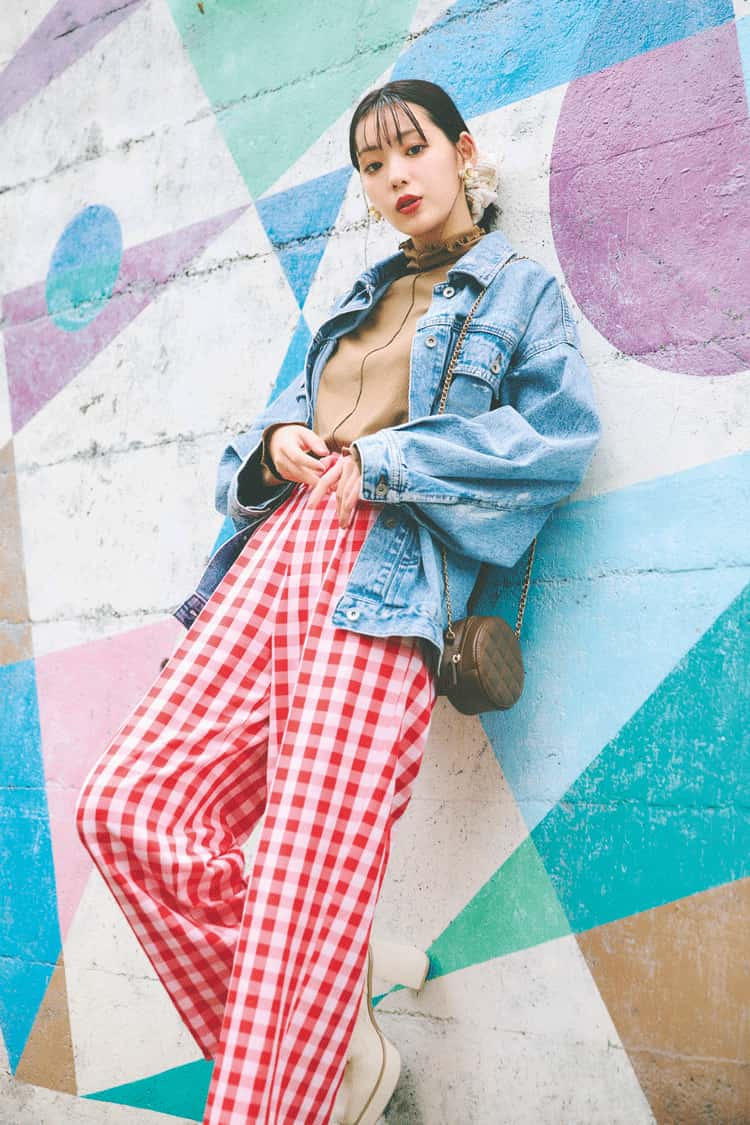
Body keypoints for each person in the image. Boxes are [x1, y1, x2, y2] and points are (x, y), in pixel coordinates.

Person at [75, 80, 601, 1125]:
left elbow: (555, 441)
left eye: (413, 149)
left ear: (463, 152)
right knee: (126, 807)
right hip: (270, 561)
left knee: (300, 884)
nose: (395, 176)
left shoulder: (520, 294)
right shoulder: (356, 300)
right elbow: (265, 441)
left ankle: (310, 1036)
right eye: (372, 163)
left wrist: (390, 462)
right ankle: (332, 998)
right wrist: (275, 446)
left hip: (383, 581)